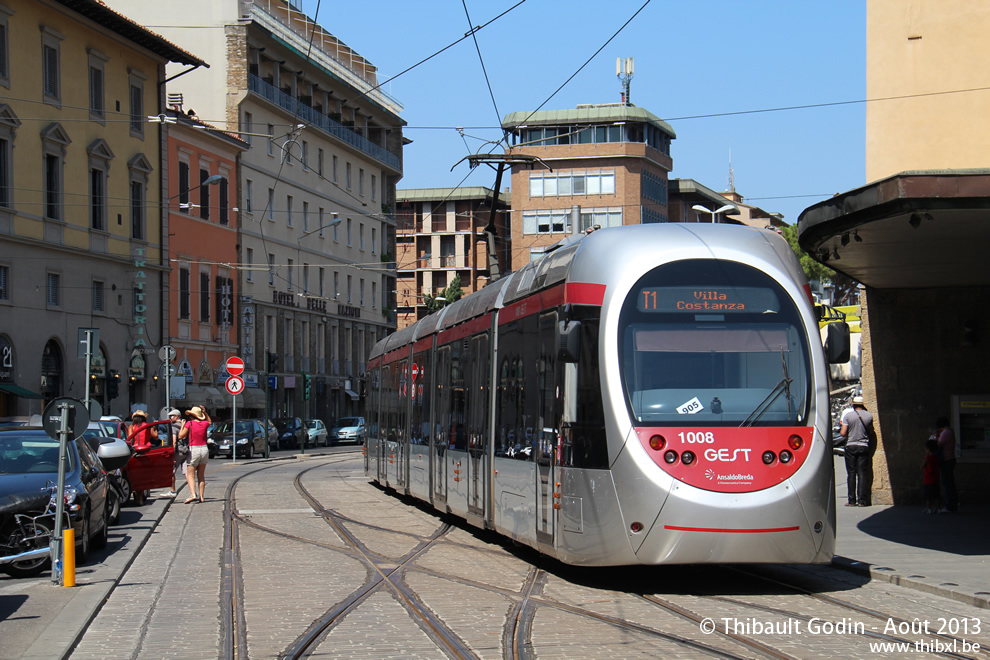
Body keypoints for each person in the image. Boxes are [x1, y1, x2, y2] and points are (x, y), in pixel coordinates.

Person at [840, 395, 875, 507]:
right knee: (862, 473)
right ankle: (862, 500)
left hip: (851, 446)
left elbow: (843, 433)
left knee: (851, 473)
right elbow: (870, 431)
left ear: (853, 404)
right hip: (863, 446)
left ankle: (851, 500)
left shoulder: (848, 416)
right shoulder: (869, 416)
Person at [178, 405, 211, 503]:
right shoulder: (205, 423)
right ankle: (202, 496)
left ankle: (193, 494)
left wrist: (183, 425)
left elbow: (180, 435)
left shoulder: (190, 423)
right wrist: (205, 412)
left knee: (190, 474)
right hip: (204, 449)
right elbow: (209, 422)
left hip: (194, 449)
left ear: (192, 416)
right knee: (201, 475)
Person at [934, 416, 957, 512]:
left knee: (947, 484)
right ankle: (952, 504)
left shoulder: (945, 433)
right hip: (951, 459)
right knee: (950, 483)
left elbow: (938, 445)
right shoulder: (950, 432)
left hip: (946, 460)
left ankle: (949, 506)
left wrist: (935, 438)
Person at [166, 409, 185, 498]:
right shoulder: (184, 425)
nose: (170, 418)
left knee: (171, 471)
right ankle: (193, 492)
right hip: (186, 451)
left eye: (171, 416)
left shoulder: (174, 427)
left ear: (176, 417)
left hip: (178, 452)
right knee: (187, 473)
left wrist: (172, 455)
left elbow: (174, 442)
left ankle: (172, 491)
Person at [921, 438, 940, 514]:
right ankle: (938, 507)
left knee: (928, 495)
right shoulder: (937, 458)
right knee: (936, 495)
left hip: (928, 479)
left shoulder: (928, 458)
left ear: (928, 449)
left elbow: (922, 467)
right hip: (936, 479)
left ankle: (928, 507)